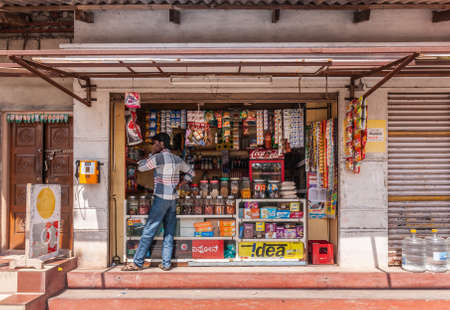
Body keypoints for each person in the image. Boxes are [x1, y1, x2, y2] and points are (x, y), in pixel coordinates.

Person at [122, 133, 194, 271]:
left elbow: (141, 167)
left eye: (155, 143)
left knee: (149, 229)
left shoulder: (158, 157)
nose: (153, 146)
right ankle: (166, 264)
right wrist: (180, 183)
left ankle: (137, 262)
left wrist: (151, 154)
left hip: (161, 199)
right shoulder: (176, 158)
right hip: (173, 200)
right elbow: (191, 172)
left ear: (161, 144)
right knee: (169, 232)